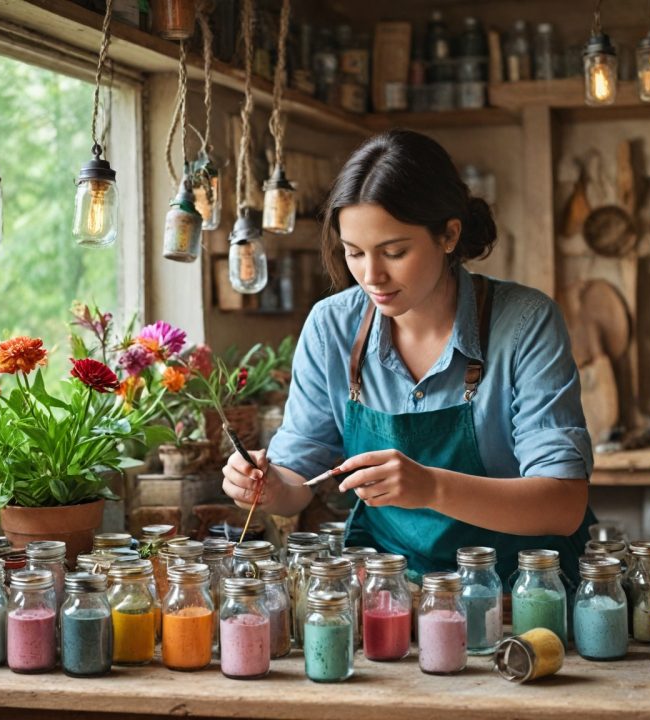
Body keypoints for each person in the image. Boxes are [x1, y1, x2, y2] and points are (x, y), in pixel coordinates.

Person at [222, 129, 594, 586]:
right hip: (391, 594)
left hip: (521, 592)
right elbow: (297, 483)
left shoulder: (524, 322)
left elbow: (563, 504)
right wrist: (266, 486)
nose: (372, 276)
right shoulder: (331, 327)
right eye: (354, 253)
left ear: (449, 234)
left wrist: (431, 487)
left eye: (394, 252)